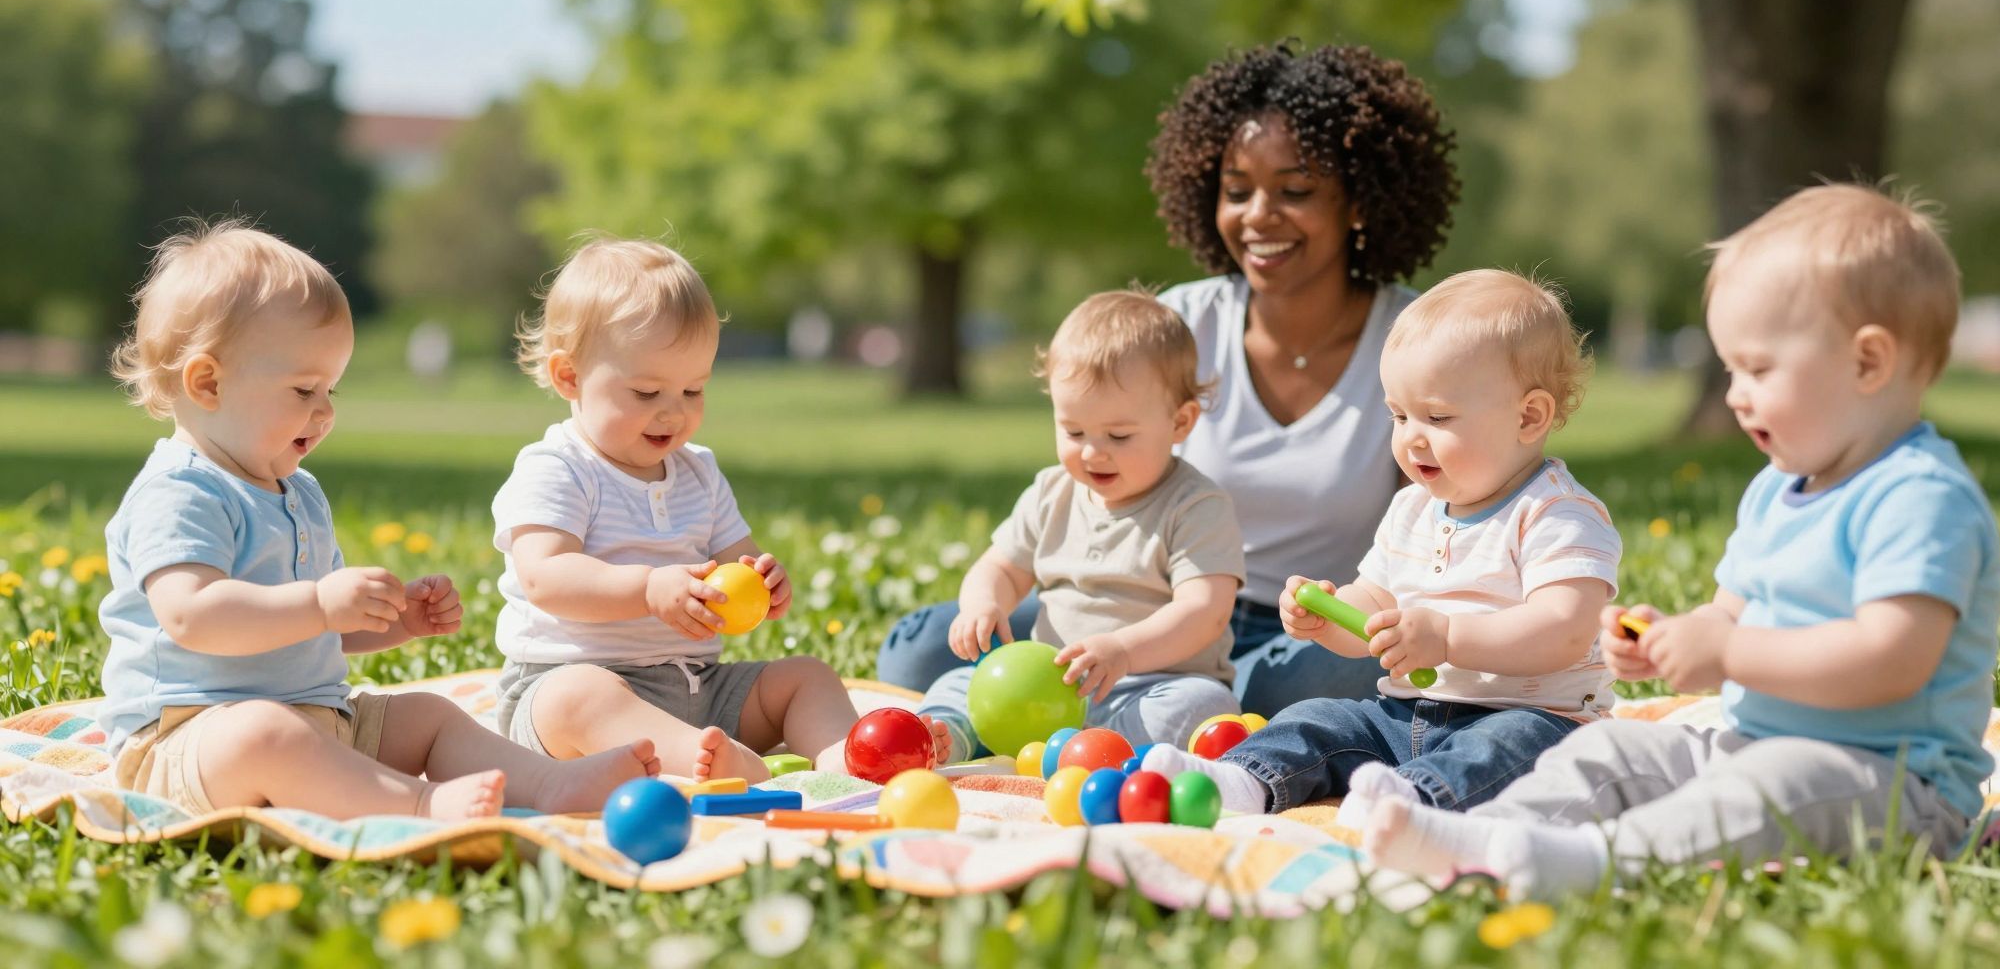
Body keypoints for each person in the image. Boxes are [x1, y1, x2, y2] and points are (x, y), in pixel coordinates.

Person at [1365, 186, 2000, 899]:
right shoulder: (1778, 489)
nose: (1733, 394)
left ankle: (1596, 863)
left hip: (1892, 784)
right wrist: (1676, 636)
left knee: (1776, 787)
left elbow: (1893, 661)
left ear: (1867, 363)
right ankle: (1489, 838)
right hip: (1753, 747)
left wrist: (1729, 656)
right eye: (1729, 369)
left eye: (1758, 369)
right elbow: (1728, 612)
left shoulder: (1918, 496)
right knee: (1613, 749)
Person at [879, 42, 1463, 716]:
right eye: (1236, 190)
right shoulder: (1180, 325)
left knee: (1323, 682)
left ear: (1360, 203)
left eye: (1295, 190)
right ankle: (1186, 699)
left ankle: (1203, 698)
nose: (1258, 215)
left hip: (1306, 628)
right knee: (921, 651)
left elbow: (1442, 519)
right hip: (1144, 607)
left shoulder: (1415, 341)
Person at [97, 221, 658, 821]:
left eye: (331, 389)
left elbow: (317, 630)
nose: (326, 411)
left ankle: (550, 787)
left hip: (315, 722)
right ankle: (419, 805)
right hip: (192, 741)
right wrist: (319, 602)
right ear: (208, 382)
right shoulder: (181, 491)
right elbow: (192, 616)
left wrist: (389, 622)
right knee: (265, 734)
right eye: (304, 389)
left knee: (428, 717)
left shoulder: (298, 491)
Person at [1139, 271, 1620, 820]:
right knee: (1319, 718)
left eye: (1437, 417)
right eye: (1398, 415)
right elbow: (1375, 609)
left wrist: (1448, 637)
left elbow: (1566, 629)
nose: (1412, 436)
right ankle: (1245, 780)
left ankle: (1414, 803)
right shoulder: (1412, 507)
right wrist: (1331, 618)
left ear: (1528, 416)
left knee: (1495, 752)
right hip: (1405, 714)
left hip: (1534, 719)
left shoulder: (1556, 513)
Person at [490, 237, 948, 784]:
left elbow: (738, 558)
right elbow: (545, 577)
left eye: (693, 390)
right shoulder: (557, 467)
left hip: (698, 686)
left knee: (806, 676)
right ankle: (705, 763)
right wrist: (647, 589)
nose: (673, 412)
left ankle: (844, 765)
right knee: (577, 699)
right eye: (646, 392)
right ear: (570, 377)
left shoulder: (698, 472)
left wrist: (763, 577)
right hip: (571, 685)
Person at [918, 291, 1244, 758]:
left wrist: (1124, 651)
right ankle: (950, 736)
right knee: (958, 683)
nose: (1093, 452)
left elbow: (1204, 611)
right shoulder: (1052, 493)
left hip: (1147, 687)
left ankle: (1096, 750)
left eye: (1118, 435)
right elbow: (1001, 569)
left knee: (1206, 704)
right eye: (1073, 432)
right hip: (1041, 687)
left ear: (1180, 423)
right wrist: (983, 604)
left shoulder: (1196, 506)